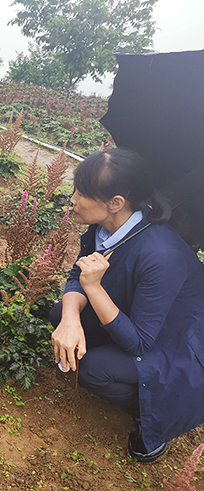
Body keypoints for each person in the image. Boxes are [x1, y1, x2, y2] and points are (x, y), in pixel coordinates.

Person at [50, 147, 204, 463]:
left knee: (94, 369)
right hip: (144, 313)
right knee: (60, 313)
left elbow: (139, 342)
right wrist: (69, 319)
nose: (72, 200)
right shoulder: (105, 226)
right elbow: (77, 273)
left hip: (178, 337)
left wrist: (94, 288)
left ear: (116, 203)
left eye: (81, 193)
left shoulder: (161, 255)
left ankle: (149, 407)